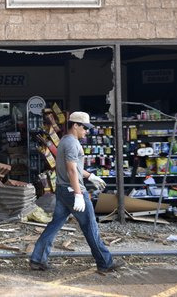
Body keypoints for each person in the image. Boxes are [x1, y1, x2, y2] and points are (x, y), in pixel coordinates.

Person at [29, 111, 124, 273]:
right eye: (85, 127)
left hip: (63, 190)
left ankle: (37, 259)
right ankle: (105, 263)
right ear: (75, 125)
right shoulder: (72, 143)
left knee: (55, 225)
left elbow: (76, 169)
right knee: (90, 226)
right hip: (73, 191)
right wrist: (79, 195)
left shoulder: (65, 141)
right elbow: (72, 170)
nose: (86, 131)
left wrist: (91, 176)